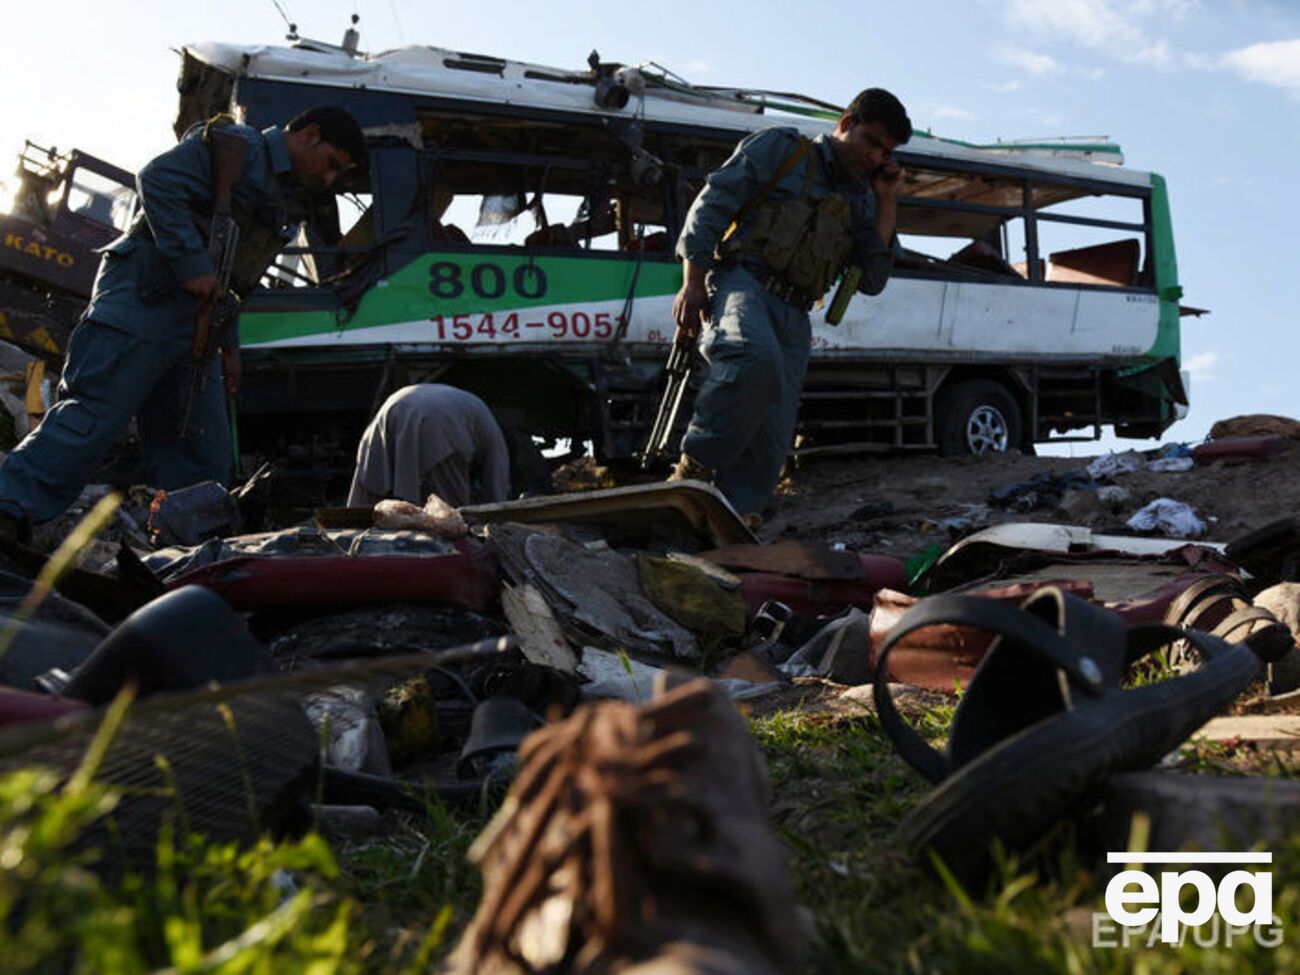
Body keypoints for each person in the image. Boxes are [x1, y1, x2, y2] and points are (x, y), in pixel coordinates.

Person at [0, 106, 365, 537]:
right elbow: (156, 179)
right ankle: (8, 509)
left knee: (202, 456)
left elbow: (233, 275)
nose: (329, 179)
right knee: (91, 420)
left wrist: (229, 344)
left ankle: (187, 550)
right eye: (331, 165)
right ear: (309, 135)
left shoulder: (286, 195)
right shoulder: (240, 147)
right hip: (143, 301)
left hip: (199, 328)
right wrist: (190, 263)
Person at [669, 88, 912, 521]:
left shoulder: (864, 200)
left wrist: (887, 202)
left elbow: (872, 281)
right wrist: (692, 282)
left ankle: (731, 518)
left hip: (795, 314)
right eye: (871, 142)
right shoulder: (782, 149)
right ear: (846, 122)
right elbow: (713, 204)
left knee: (773, 436)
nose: (876, 157)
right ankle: (693, 470)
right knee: (752, 358)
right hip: (744, 282)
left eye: (886, 151)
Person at [346, 384, 511, 509]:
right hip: (440, 421)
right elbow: (496, 485)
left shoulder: (477, 412)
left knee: (373, 475)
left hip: (393, 406)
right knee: (450, 510)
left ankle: (350, 533)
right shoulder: (494, 436)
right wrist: (498, 517)